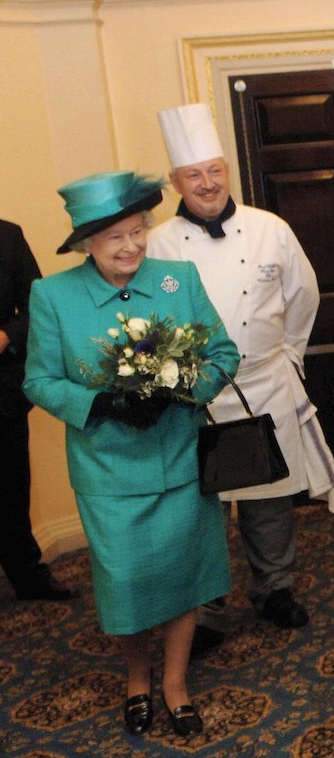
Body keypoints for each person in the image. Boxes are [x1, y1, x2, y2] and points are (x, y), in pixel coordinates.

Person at [24, 171, 240, 737]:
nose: (132, 246)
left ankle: (174, 682)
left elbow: (222, 353)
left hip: (178, 460)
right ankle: (136, 675)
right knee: (123, 584)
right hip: (108, 471)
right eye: (115, 236)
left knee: (184, 576)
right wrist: (102, 405)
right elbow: (39, 381)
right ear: (85, 244)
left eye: (138, 230)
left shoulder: (178, 279)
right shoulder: (52, 295)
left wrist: (183, 389)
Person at [148, 102, 334, 656]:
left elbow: (303, 297)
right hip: (195, 398)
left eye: (215, 170)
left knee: (269, 497)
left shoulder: (269, 229)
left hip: (264, 383)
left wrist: (288, 358)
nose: (207, 183)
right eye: (194, 175)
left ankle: (274, 589)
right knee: (203, 505)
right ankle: (207, 608)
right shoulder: (159, 246)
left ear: (227, 172)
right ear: (175, 183)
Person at [0, 218, 76, 602]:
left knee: (12, 488)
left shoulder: (8, 235)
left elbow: (36, 308)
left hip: (1, 393)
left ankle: (28, 577)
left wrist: (6, 335)